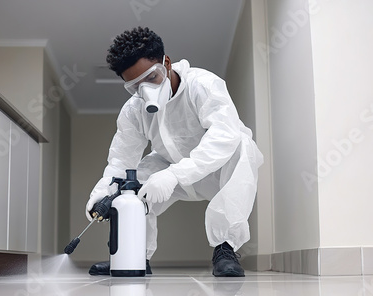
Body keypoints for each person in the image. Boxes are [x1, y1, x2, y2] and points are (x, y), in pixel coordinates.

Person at [86, 27, 263, 277]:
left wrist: (176, 175)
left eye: (151, 78)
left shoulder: (202, 84)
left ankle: (226, 249)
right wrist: (103, 191)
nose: (144, 90)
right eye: (135, 85)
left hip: (218, 168)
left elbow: (224, 135)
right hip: (168, 166)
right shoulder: (133, 110)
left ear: (166, 63)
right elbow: (121, 158)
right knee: (130, 185)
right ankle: (133, 255)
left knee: (242, 146)